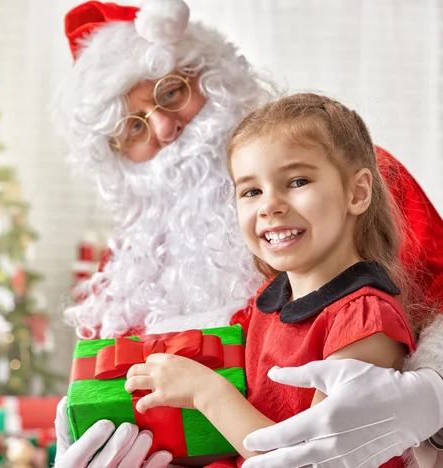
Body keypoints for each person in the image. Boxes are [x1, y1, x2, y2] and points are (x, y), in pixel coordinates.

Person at [52, 1, 443, 467]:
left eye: (171, 92)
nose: (164, 128)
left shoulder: (350, 174)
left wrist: (435, 389)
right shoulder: (126, 269)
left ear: (214, 77)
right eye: (132, 126)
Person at [125, 92, 421, 468]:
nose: (270, 206)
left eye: (297, 181)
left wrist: (206, 391)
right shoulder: (268, 301)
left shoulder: (365, 322)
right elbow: (239, 432)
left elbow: (312, 460)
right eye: (251, 191)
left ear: (357, 192)